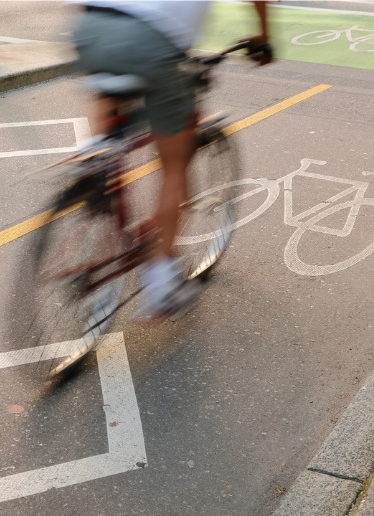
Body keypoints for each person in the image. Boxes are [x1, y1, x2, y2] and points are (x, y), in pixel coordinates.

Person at [72, 1, 271, 321]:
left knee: (113, 104)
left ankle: (96, 161)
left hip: (92, 25)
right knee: (174, 164)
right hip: (152, 39)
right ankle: (162, 284)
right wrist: (263, 36)